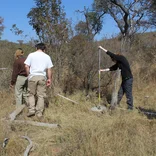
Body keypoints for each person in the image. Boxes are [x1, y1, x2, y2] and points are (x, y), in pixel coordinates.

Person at [24, 43, 53, 118]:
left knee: (31, 94)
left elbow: (26, 66)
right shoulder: (47, 56)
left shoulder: (31, 55)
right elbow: (49, 69)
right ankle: (39, 113)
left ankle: (31, 110)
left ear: (36, 48)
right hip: (42, 77)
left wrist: (28, 75)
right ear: (44, 49)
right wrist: (49, 79)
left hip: (33, 76)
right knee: (41, 96)